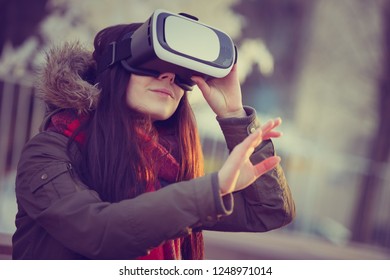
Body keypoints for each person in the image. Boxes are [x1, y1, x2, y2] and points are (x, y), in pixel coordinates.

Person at [12, 20, 295, 260]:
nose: (168, 76)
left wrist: (233, 113)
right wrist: (214, 188)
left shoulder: (167, 166)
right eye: (151, 62)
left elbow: (269, 211)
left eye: (182, 74)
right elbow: (97, 231)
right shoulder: (49, 152)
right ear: (113, 68)